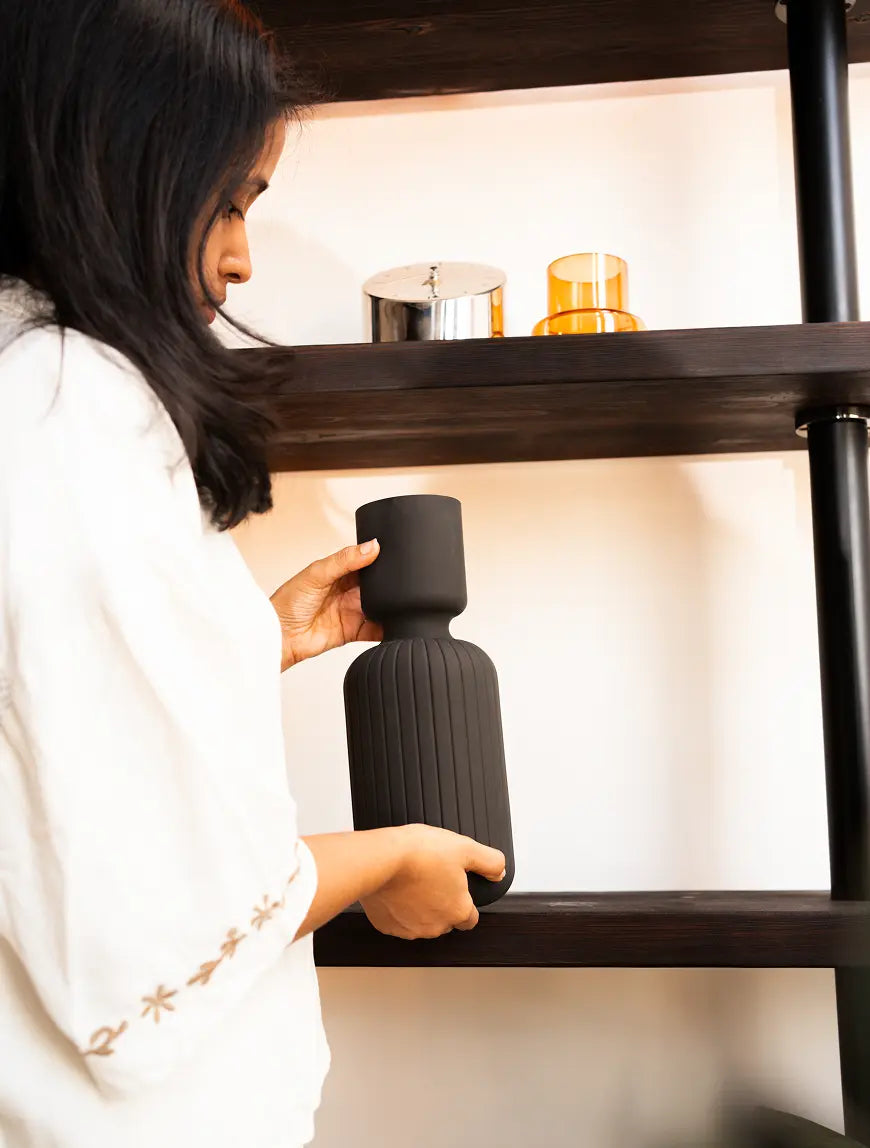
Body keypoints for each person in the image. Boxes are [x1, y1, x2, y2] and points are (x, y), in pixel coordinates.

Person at [0, 2, 507, 1146]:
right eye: (224, 199)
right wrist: (391, 857)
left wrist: (241, 640)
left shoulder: (27, 392)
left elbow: (46, 732)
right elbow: (142, 921)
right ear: (106, 165)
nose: (239, 256)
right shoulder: (74, 404)